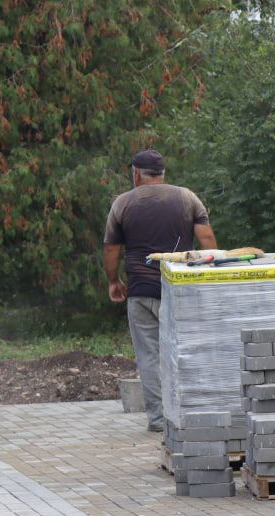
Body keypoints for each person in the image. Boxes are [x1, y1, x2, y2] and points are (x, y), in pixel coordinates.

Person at [103, 148, 217, 432]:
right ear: (163, 174)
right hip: (179, 291)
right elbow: (208, 241)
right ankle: (189, 411)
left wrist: (113, 281)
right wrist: (211, 278)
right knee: (183, 350)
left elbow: (111, 248)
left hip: (141, 291)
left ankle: (157, 418)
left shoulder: (122, 204)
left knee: (149, 355)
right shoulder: (187, 198)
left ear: (137, 174)